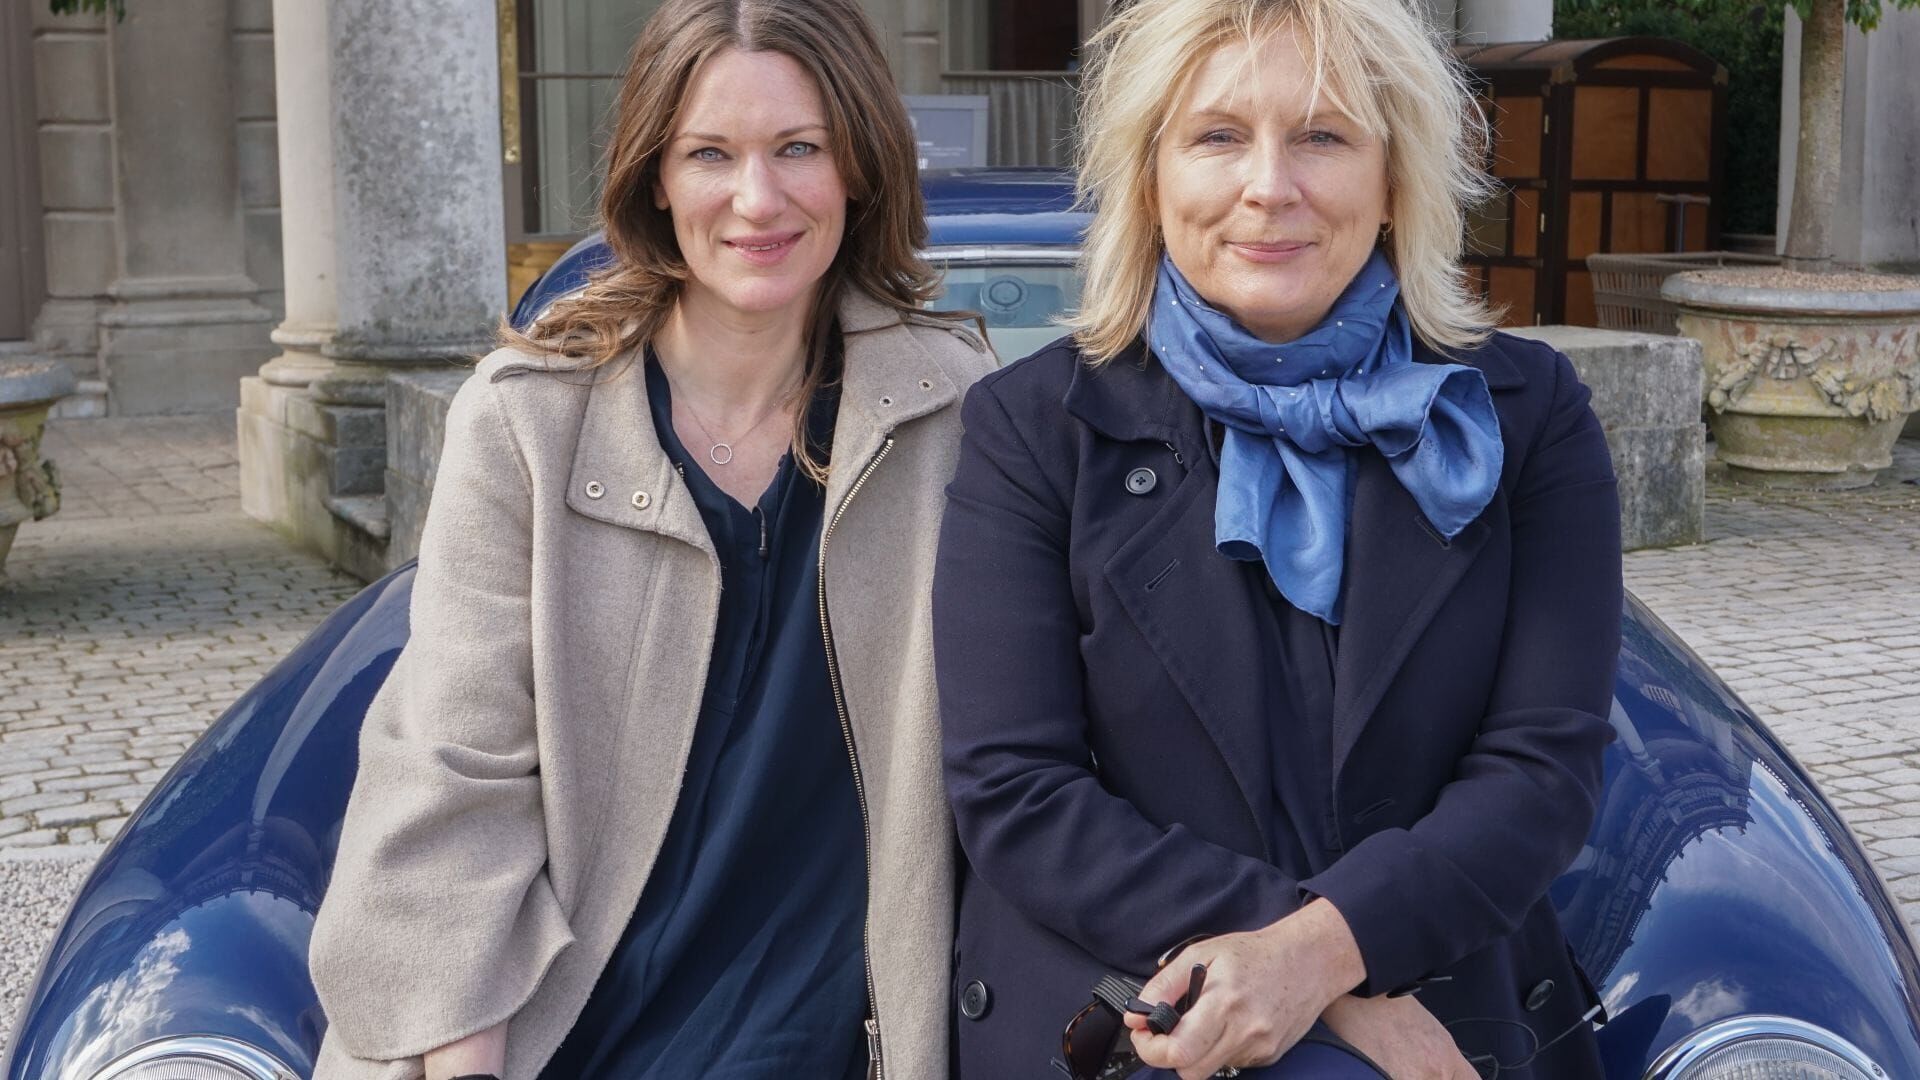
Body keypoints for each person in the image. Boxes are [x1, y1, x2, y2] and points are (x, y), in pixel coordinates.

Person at [932, 0, 1622, 1078]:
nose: (1270, 185)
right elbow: (1017, 789)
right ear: (1149, 175)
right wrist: (1310, 975)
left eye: (1322, 135)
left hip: (1437, 1004)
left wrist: (1320, 955)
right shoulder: (1030, 429)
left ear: (1397, 175)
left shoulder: (1529, 416)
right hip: (1119, 1004)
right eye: (1217, 136)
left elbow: (1543, 771)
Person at [306, 2, 993, 1078]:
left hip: (839, 1047)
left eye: (798, 148)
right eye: (709, 153)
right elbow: (451, 779)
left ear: (857, 165)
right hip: (569, 1040)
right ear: (655, 178)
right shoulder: (528, 422)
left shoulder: (953, 413)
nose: (756, 199)